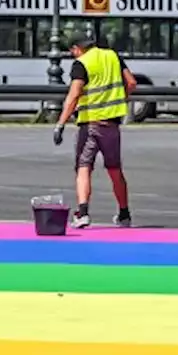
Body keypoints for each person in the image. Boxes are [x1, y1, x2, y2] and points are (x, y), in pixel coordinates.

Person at [53, 34, 136, 228]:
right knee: (115, 170)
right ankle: (124, 214)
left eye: (71, 52)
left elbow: (74, 95)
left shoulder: (81, 63)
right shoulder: (113, 56)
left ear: (76, 49)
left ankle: (82, 213)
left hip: (90, 123)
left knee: (84, 167)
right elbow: (131, 83)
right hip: (112, 123)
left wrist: (60, 124)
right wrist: (119, 98)